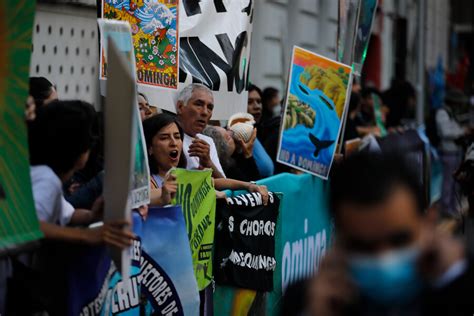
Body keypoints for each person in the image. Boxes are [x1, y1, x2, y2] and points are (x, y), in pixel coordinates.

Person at [302, 153, 474, 316]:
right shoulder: (310, 300)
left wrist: (456, 282)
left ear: (428, 223)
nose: (384, 260)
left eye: (400, 240)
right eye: (364, 247)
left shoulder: (459, 289)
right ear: (339, 239)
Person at [8, 101, 134, 315]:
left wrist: (91, 215)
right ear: (79, 149)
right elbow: (23, 225)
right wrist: (87, 236)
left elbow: (67, 213)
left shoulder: (40, 174)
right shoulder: (46, 180)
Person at [143, 113, 269, 205]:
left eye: (177, 137)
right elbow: (144, 197)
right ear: (149, 148)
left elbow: (214, 182)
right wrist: (164, 195)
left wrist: (249, 186)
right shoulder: (145, 181)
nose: (173, 143)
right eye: (164, 138)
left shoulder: (184, 175)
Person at [176, 83, 226, 178]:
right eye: (198, 104)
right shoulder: (169, 138)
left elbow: (223, 184)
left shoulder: (208, 141)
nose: (205, 112)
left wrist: (208, 163)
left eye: (210, 108)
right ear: (180, 107)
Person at [436, 89, 471, 217]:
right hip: (448, 151)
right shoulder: (442, 113)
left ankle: (452, 207)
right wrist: (462, 132)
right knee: (448, 182)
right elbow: (446, 132)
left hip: (456, 151)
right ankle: (446, 208)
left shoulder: (451, 113)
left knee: (455, 182)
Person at [247, 85, 275, 177]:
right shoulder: (232, 137)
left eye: (259, 102)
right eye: (249, 102)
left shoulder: (262, 131)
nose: (257, 106)